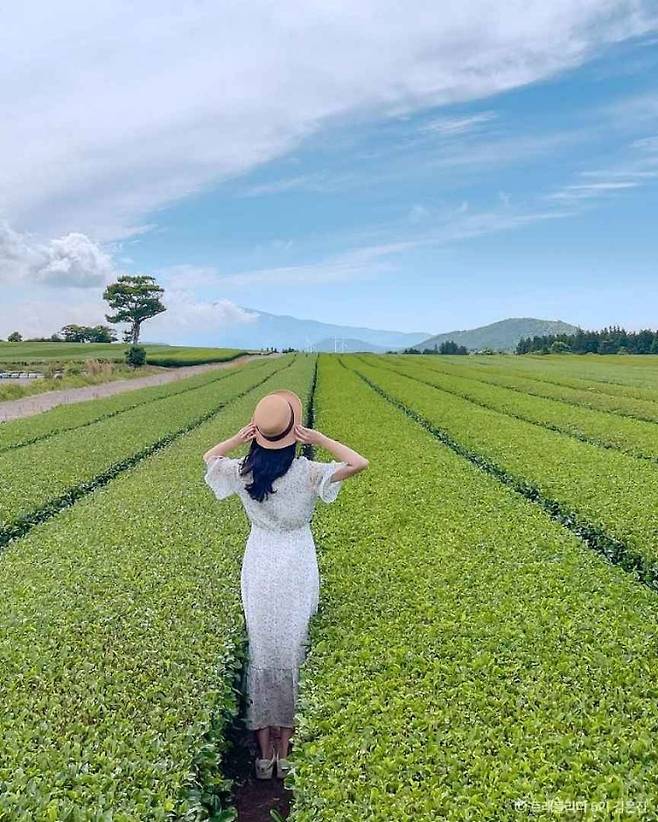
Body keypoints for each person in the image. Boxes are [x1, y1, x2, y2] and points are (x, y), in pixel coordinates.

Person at [202, 389, 368, 780]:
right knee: (294, 646)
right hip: (296, 562)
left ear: (257, 433)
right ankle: (287, 749)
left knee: (262, 649)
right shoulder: (307, 473)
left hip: (260, 561)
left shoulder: (243, 471)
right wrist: (320, 438)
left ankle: (264, 756)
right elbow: (358, 462)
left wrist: (238, 438)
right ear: (295, 434)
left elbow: (209, 457)